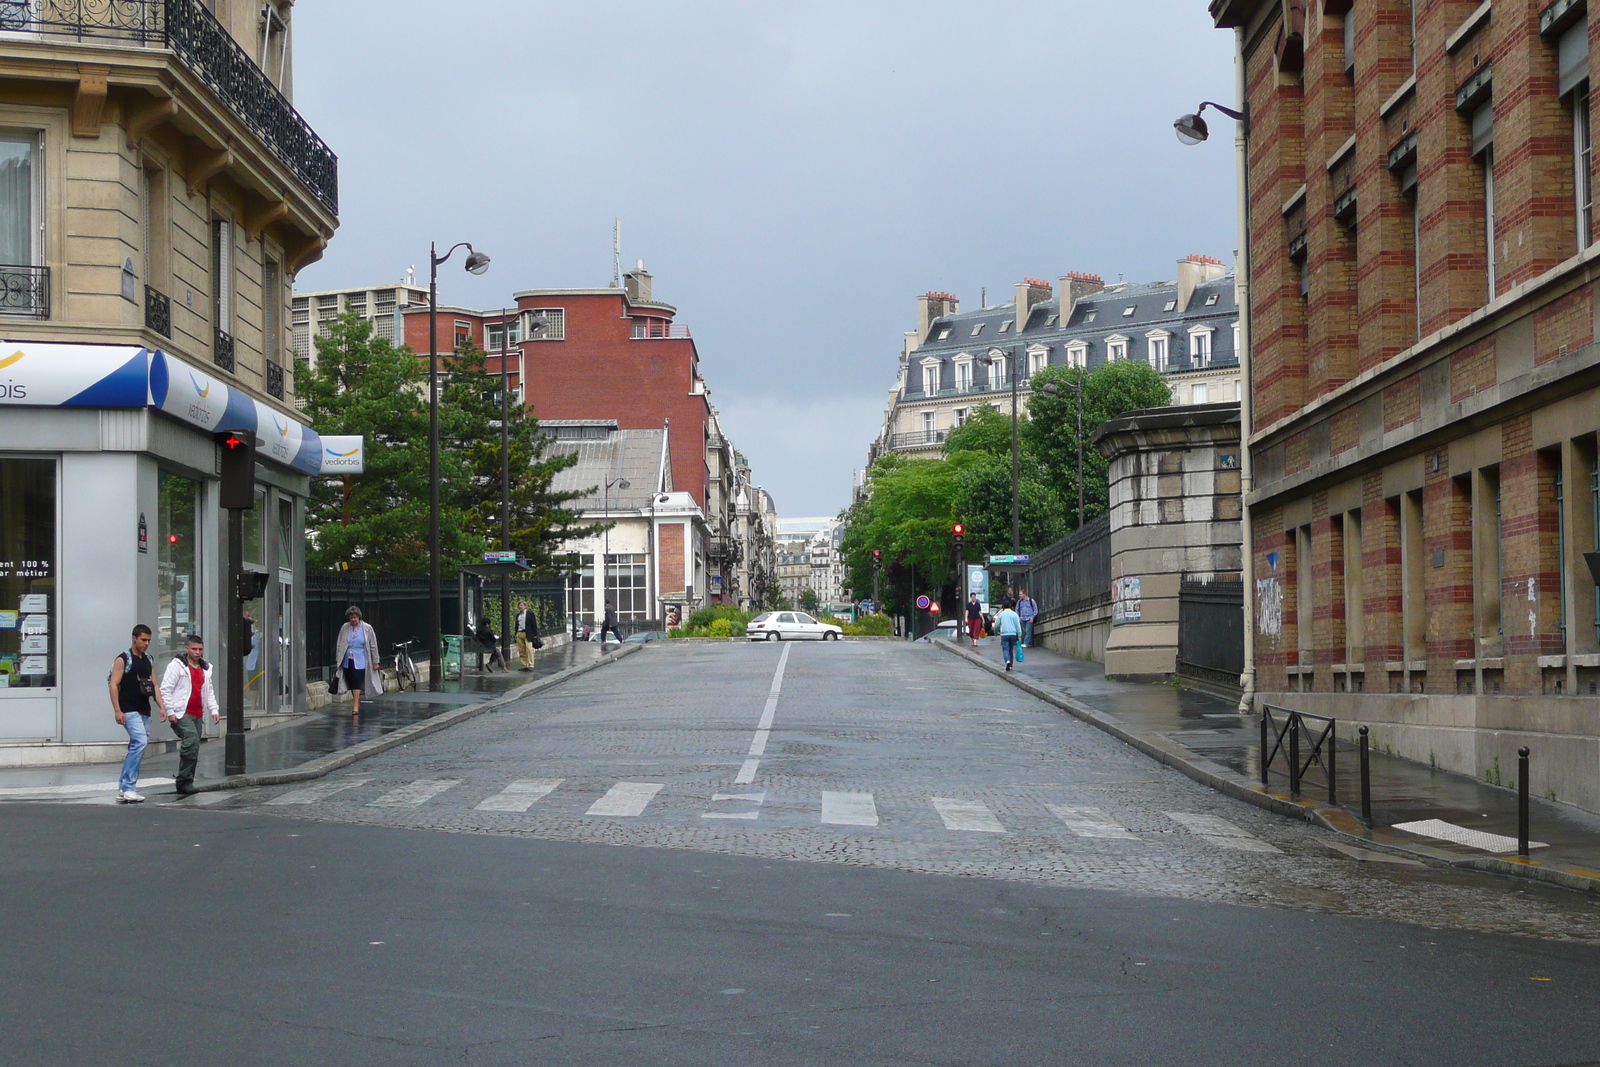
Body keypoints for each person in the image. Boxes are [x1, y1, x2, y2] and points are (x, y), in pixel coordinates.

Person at [108, 624, 165, 803]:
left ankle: (124, 788)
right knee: (140, 742)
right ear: (134, 638)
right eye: (143, 640)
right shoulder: (123, 658)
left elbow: (154, 684)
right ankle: (128, 786)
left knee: (138, 746)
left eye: (148, 640)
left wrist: (161, 706)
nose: (146, 643)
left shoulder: (148, 659)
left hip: (144, 709)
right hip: (128, 708)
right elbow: (113, 684)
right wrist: (117, 710)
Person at [158, 634, 219, 795]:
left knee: (194, 747)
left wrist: (214, 710)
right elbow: (166, 689)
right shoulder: (177, 666)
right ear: (187, 649)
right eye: (194, 649)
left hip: (198, 713)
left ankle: (187, 781)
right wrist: (170, 711)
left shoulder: (205, 669)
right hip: (181, 712)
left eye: (200, 649)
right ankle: (183, 780)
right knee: (191, 741)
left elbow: (208, 691)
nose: (197, 652)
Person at [334, 606, 383, 714]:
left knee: (357, 681)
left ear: (359, 617)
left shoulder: (367, 628)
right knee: (351, 681)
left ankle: (355, 705)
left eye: (355, 617)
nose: (353, 620)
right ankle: (356, 701)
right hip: (347, 659)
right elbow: (340, 643)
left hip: (361, 659)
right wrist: (338, 658)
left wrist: (376, 661)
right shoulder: (345, 628)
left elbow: (373, 645)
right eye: (351, 617)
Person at [995, 601, 1022, 672]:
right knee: (1011, 649)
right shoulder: (1015, 614)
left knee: (1005, 649)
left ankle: (1007, 661)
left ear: (1003, 607)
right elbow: (1018, 626)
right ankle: (1011, 665)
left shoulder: (1001, 615)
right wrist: (1019, 635)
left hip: (1004, 634)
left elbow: (997, 625)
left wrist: (996, 632)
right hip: (1013, 634)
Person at [514, 600, 538, 671]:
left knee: (529, 649)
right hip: (519, 633)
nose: (520, 607)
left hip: (527, 633)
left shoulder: (530, 613)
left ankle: (531, 665)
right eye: (519, 605)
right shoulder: (518, 615)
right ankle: (524, 665)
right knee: (521, 650)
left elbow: (534, 624)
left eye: (521, 605)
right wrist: (516, 633)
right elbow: (517, 624)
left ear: (525, 606)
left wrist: (535, 634)